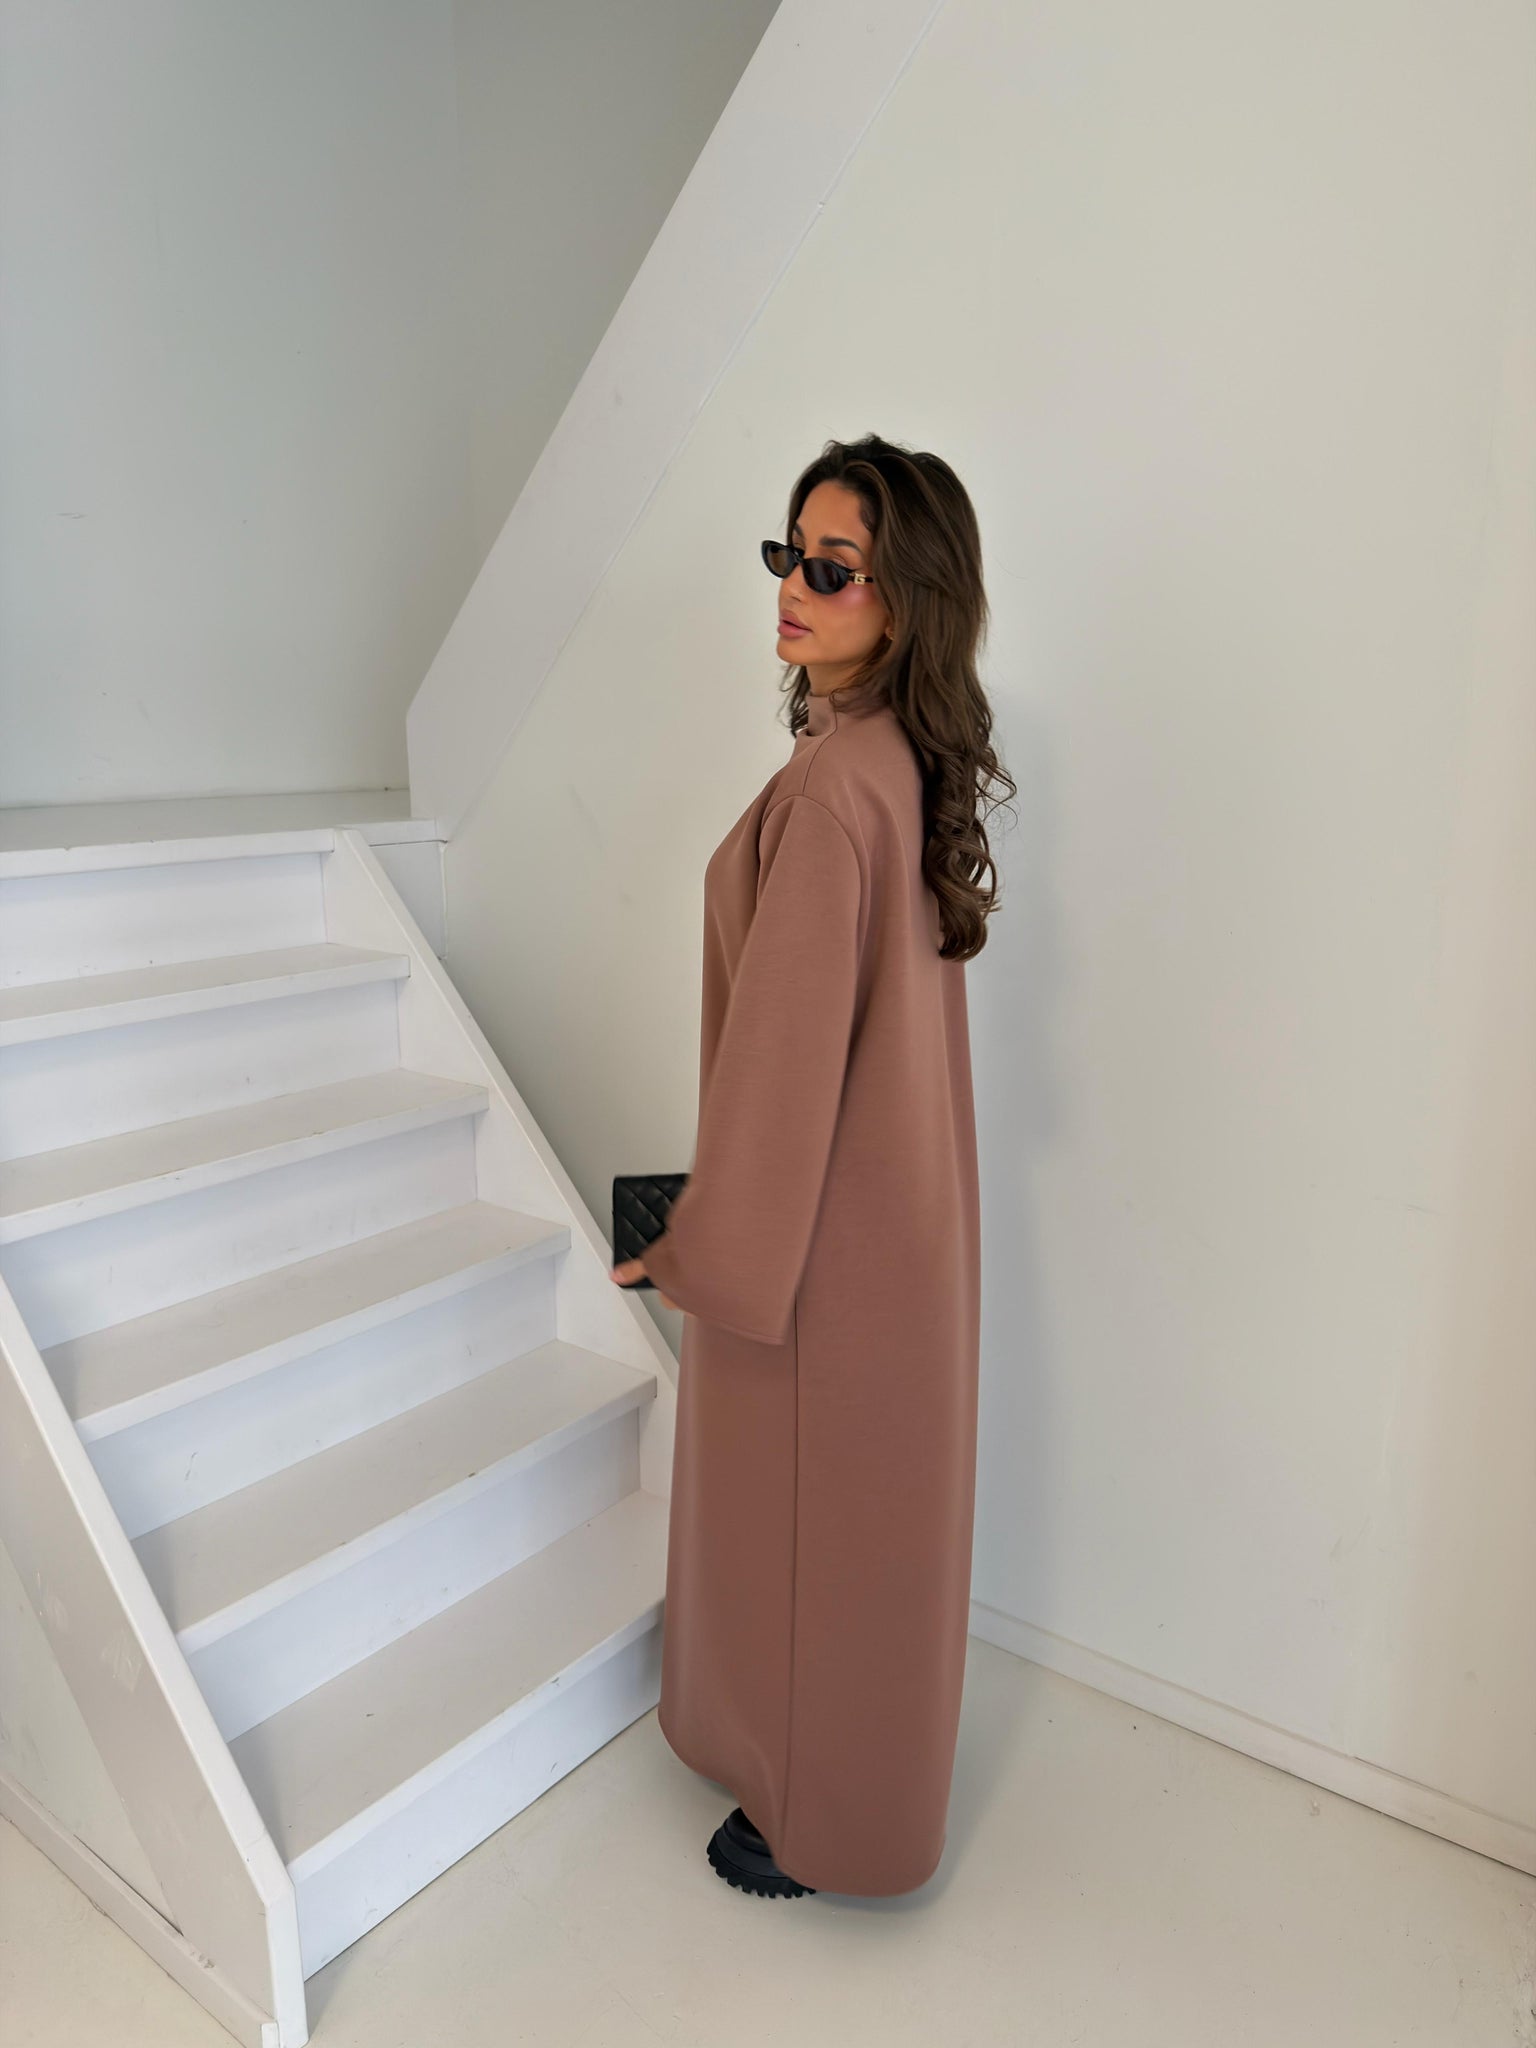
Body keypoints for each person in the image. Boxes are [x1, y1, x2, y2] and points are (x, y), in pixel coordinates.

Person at [610, 433, 1013, 1898]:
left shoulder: (837, 789)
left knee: (809, 1545)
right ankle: (854, 1799)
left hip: (815, 1254)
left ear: (905, 601)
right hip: (898, 1220)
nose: (793, 586)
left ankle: (808, 1822)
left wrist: (696, 1252)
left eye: (833, 570)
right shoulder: (891, 762)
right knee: (864, 1543)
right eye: (788, 555)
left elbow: (782, 1073)